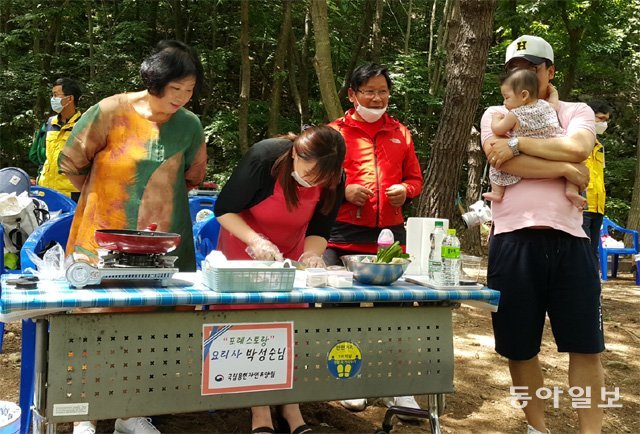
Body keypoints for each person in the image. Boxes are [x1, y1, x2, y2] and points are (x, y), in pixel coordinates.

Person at [59, 40, 207, 434]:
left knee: (150, 327)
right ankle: (84, 412)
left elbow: (192, 178)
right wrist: (102, 196)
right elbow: (72, 164)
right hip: (101, 239)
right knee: (94, 321)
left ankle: (132, 411)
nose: (183, 98)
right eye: (176, 89)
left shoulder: (190, 125)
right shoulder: (111, 111)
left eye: (189, 91)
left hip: (162, 243)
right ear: (155, 83)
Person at [481, 35, 605, 434]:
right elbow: (502, 162)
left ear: (549, 72)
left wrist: (519, 144)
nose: (524, 75)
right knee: (520, 347)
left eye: (533, 67)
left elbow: (580, 147)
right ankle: (538, 428)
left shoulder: (576, 110)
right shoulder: (495, 111)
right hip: (512, 240)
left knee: (586, 346)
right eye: (515, 68)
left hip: (571, 240)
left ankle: (591, 431)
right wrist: (567, 168)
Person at [214, 125, 346, 434]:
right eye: (308, 173)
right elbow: (224, 209)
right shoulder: (265, 157)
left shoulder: (335, 177)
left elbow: (320, 229)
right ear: (296, 153)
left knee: (289, 324)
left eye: (320, 178)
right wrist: (257, 241)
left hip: (290, 252)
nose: (312, 181)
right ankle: (259, 411)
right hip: (244, 246)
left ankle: (290, 407)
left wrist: (312, 255)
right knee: (251, 326)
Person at [322, 63, 424, 416]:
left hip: (389, 241)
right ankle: (348, 382)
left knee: (394, 314)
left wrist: (405, 190)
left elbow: (416, 179)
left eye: (383, 91)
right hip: (341, 236)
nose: (377, 98)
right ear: (352, 94)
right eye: (369, 92)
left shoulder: (401, 133)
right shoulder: (334, 133)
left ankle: (397, 388)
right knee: (341, 313)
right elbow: (316, 178)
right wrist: (343, 190)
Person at [484, 69, 586, 210]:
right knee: (574, 163)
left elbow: (498, 129)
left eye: (506, 97)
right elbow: (555, 104)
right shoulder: (546, 106)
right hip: (552, 148)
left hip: (528, 153)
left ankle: (497, 192)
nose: (504, 102)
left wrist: (496, 119)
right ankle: (572, 190)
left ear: (524, 95)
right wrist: (554, 93)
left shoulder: (514, 114)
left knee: (495, 165)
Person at [35, 78, 83, 200]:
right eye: (52, 95)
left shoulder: (84, 125)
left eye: (56, 95)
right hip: (46, 191)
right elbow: (40, 156)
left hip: (71, 195)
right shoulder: (49, 123)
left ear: (70, 99)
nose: (53, 99)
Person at [582, 100, 613, 262]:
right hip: (582, 205)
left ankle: (594, 286)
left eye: (606, 120)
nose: (604, 123)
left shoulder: (600, 146)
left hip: (598, 206)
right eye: (601, 118)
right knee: (582, 251)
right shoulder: (576, 141)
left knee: (592, 251)